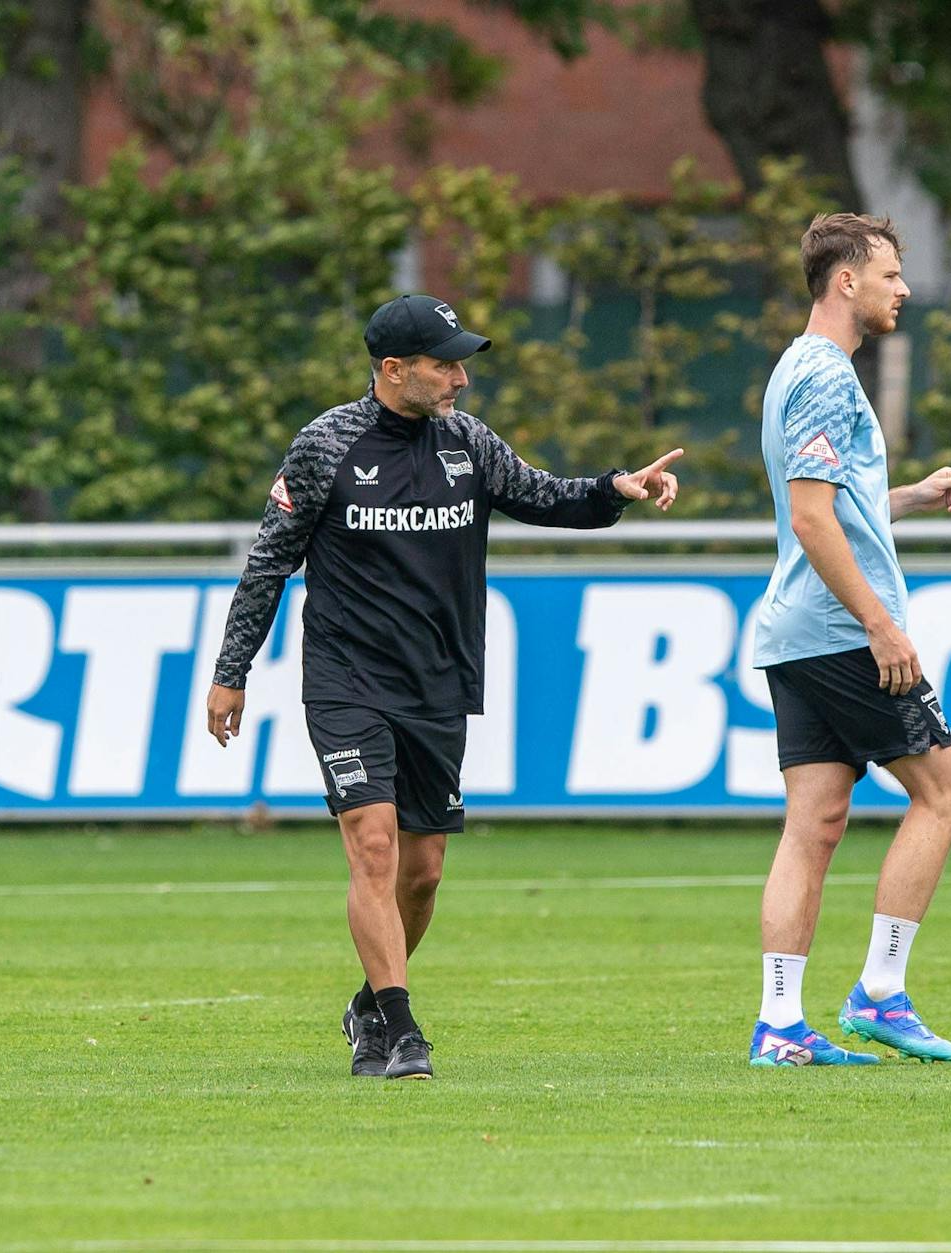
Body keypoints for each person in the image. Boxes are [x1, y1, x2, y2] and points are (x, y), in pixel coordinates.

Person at [206, 294, 685, 1081]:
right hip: (346, 680)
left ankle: (368, 1001)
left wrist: (614, 490)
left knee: (421, 872)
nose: (461, 377)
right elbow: (269, 561)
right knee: (372, 845)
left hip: (438, 682)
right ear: (394, 370)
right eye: (444, 363)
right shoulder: (325, 445)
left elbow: (542, 496)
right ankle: (399, 1032)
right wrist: (233, 672)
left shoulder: (469, 442)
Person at [747, 214, 951, 1068]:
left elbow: (832, 505)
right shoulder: (827, 379)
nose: (903, 288)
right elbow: (811, 521)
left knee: (813, 823)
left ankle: (780, 1024)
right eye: (890, 273)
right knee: (945, 794)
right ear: (846, 280)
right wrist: (882, 625)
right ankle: (880, 992)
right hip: (843, 631)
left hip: (796, 632)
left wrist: (912, 494)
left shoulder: (796, 370)